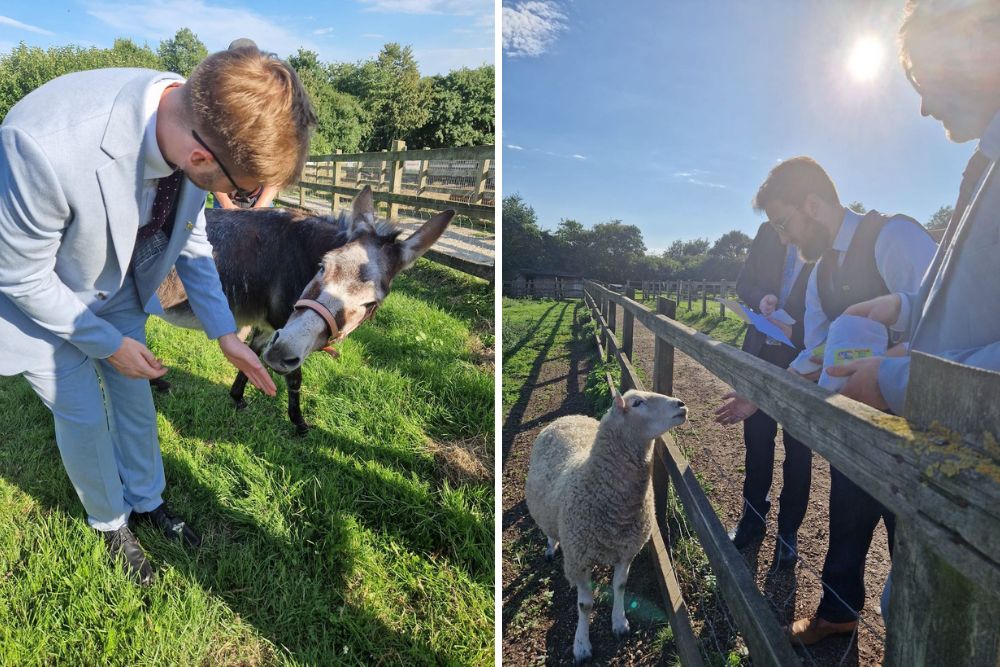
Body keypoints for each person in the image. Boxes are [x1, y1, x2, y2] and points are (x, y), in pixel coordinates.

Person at [0, 48, 315, 585]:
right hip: (40, 301)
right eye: (242, 191)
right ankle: (110, 521)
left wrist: (224, 334)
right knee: (83, 417)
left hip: (118, 284)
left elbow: (189, 240)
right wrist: (107, 345)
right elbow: (20, 276)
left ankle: (148, 502)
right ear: (199, 159)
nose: (243, 201)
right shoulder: (40, 145)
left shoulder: (188, 115)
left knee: (135, 401)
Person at [826, 0, 1000, 623]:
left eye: (926, 80)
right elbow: (977, 293)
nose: (923, 107)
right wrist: (902, 306)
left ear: (984, 34)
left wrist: (894, 379)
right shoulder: (983, 165)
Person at [752, 156, 937, 645]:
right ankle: (838, 610)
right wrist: (761, 394)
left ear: (812, 204)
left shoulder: (894, 236)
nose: (785, 239)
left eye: (784, 224)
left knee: (913, 541)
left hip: (917, 427)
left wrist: (890, 366)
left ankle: (920, 641)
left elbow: (944, 325)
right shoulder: (818, 276)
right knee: (847, 510)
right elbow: (819, 349)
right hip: (852, 421)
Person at [714, 221, 814, 572]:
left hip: (802, 362)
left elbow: (832, 306)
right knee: (757, 443)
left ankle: (788, 531)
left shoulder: (822, 237)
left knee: (799, 452)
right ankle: (752, 518)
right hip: (760, 355)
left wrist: (796, 326)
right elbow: (745, 282)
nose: (784, 226)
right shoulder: (768, 233)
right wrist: (761, 298)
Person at [211, 38, 280, 211]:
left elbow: (277, 166)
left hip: (260, 201)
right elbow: (208, 164)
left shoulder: (270, 108)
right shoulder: (215, 109)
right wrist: (227, 205)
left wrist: (259, 208)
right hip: (225, 200)